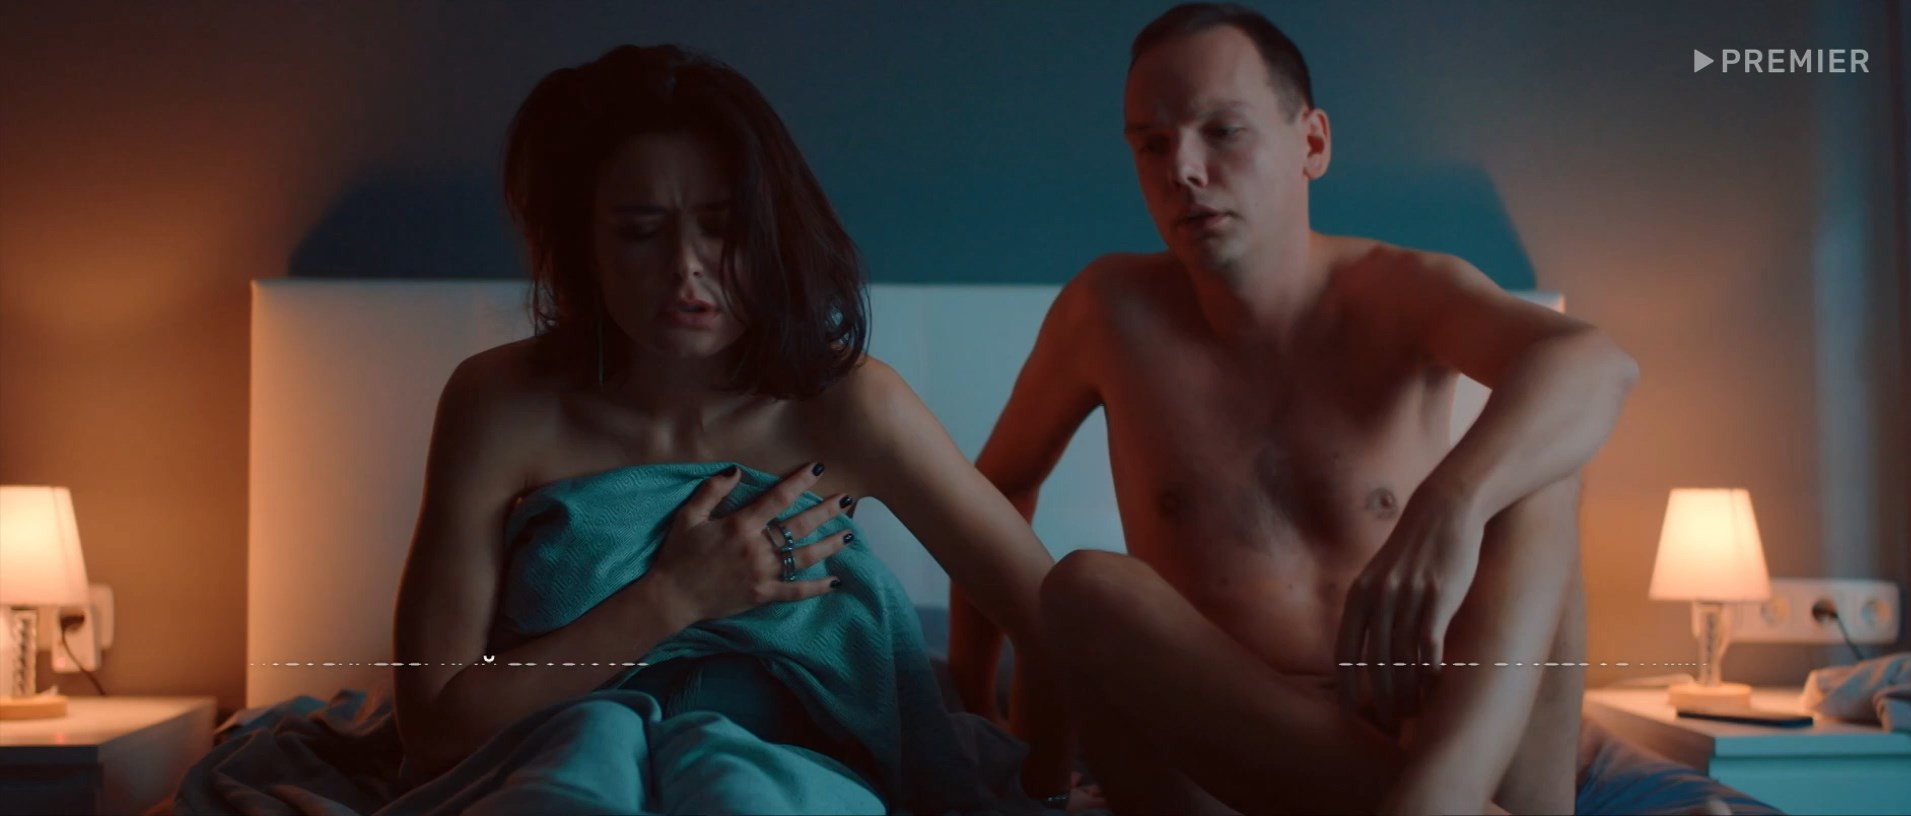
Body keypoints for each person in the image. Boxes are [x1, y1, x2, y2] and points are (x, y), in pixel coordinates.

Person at [949, 4, 1639, 814]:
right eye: (1152, 144)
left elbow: (1596, 362)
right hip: (1214, 770)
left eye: (1223, 132)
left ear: (1311, 143)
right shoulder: (1108, 312)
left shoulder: (1399, 291)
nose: (1184, 170)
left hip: (1426, 739)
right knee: (1086, 589)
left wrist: (1450, 504)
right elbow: (994, 492)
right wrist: (972, 706)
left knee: (1542, 470)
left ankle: (1438, 800)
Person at [389, 43, 1069, 804]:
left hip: (793, 780)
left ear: (772, 234)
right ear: (587, 247)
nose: (686, 265)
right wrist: (673, 598)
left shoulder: (849, 405)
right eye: (640, 231)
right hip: (560, 759)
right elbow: (434, 727)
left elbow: (1059, 624)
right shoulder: (500, 402)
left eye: (721, 227)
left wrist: (1042, 789)